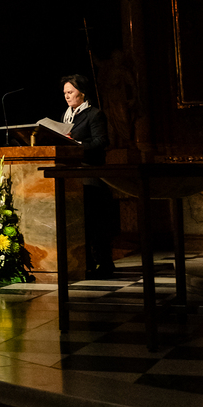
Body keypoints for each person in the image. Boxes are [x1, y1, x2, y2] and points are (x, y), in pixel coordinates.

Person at [60, 73, 115, 278]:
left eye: (70, 92)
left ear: (82, 93)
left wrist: (78, 146)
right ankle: (85, 263)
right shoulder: (66, 115)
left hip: (90, 173)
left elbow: (101, 141)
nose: (67, 96)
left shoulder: (94, 114)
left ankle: (104, 263)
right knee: (79, 221)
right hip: (72, 175)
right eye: (65, 93)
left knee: (95, 221)